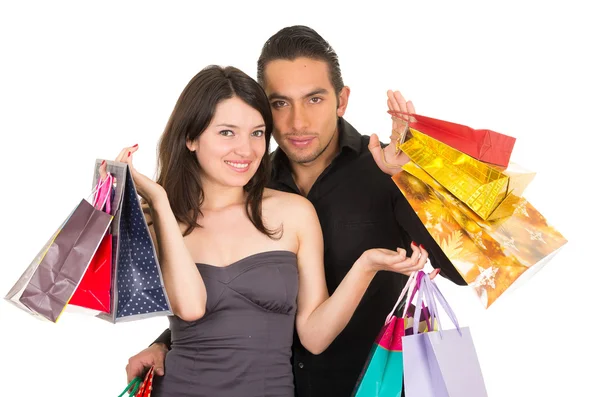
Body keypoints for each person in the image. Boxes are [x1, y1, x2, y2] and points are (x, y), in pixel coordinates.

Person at [126, 27, 467, 397]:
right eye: (280, 103)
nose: (298, 122)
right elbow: (227, 297)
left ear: (342, 100)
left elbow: (462, 270)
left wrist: (409, 179)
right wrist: (166, 343)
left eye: (314, 99)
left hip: (370, 383)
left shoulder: (387, 167)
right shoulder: (248, 177)